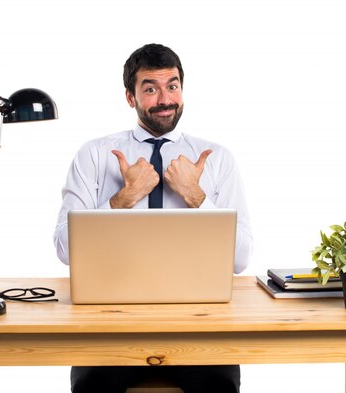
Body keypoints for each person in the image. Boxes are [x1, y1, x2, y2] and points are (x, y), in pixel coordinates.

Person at [54, 43, 253, 393]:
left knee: (218, 387)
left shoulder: (218, 158)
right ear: (131, 97)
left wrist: (195, 195)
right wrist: (124, 198)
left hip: (200, 323)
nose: (165, 98)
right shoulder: (94, 155)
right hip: (111, 323)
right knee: (92, 386)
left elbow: (240, 260)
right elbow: (64, 250)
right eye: (150, 88)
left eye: (172, 86)